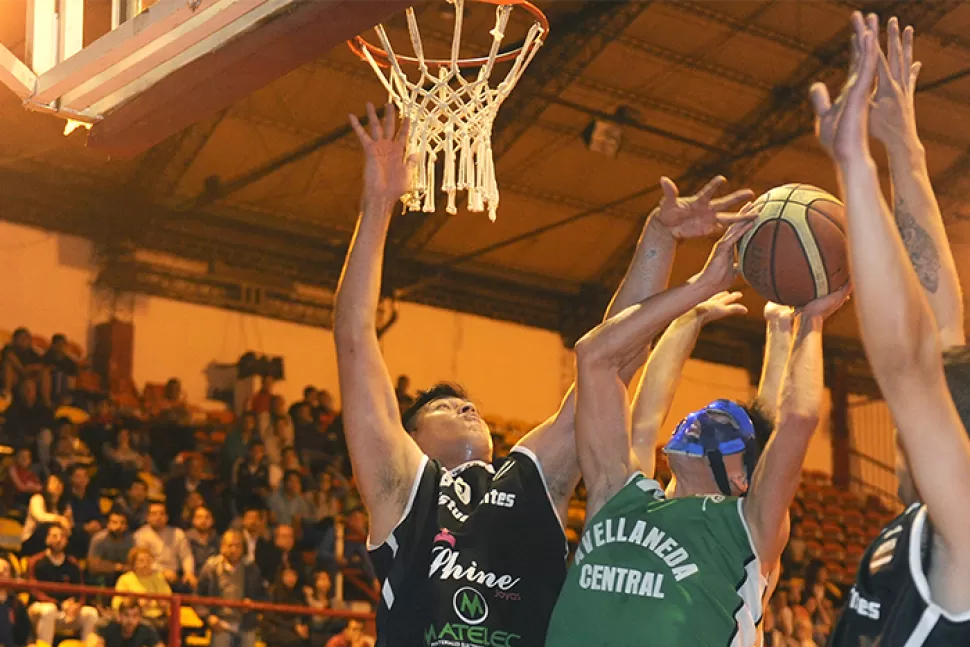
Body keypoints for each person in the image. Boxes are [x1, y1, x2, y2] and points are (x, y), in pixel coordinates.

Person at [338, 102, 755, 646]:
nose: (465, 408)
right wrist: (377, 203)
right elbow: (353, 339)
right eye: (443, 407)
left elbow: (613, 364)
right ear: (410, 439)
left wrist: (659, 239)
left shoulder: (530, 479)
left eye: (467, 404)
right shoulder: (402, 489)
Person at [544, 208, 849, 646]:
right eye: (705, 414)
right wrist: (694, 297)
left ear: (744, 477)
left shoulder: (746, 527)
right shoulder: (621, 493)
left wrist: (807, 324)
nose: (703, 420)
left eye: (723, 423)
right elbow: (594, 355)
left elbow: (793, 420)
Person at [811, 12, 970, 646]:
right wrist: (906, 148)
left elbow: (910, 361)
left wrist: (856, 167)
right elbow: (941, 316)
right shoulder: (925, 523)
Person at [27, 524, 100, 647]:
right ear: (47, 539)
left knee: (90, 613)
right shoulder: (35, 561)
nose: (59, 540)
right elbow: (34, 590)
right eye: (55, 536)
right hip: (39, 609)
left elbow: (81, 590)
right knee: (49, 610)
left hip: (67, 611)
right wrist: (59, 604)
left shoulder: (73, 563)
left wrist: (77, 606)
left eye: (63, 537)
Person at [195, 530, 266, 647]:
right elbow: (197, 598)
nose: (233, 549)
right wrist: (208, 617)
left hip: (246, 623)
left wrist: (252, 604)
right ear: (222, 547)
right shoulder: (211, 567)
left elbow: (263, 597)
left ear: (243, 548)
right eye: (229, 545)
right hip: (220, 623)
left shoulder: (251, 568)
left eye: (237, 546)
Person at [133, 501, 197, 590]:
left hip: (175, 576)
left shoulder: (178, 534)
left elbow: (186, 556)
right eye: (154, 514)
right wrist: (162, 572)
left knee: (190, 584)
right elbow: (142, 561)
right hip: (150, 575)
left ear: (167, 517)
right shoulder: (140, 535)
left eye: (162, 514)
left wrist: (189, 572)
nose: (158, 517)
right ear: (147, 517)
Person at [113, 546, 172, 635]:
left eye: (149, 561)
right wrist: (137, 604)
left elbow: (169, 600)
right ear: (134, 563)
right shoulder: (125, 579)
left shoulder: (158, 578)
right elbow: (117, 604)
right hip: (136, 620)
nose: (146, 564)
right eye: (141, 561)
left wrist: (163, 603)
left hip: (159, 619)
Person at [21, 472, 72, 556]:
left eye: (59, 483)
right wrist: (59, 519)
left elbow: (69, 527)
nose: (57, 485)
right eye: (53, 482)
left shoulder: (65, 505)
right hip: (32, 542)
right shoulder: (37, 498)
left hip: (57, 541)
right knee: (47, 527)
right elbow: (40, 516)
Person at [260, 567, 310, 647]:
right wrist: (294, 626)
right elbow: (271, 617)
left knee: (310, 639)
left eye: (294, 575)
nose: (291, 578)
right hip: (273, 628)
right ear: (281, 576)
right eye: (288, 575)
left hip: (291, 629)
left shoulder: (297, 594)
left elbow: (303, 615)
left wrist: (303, 626)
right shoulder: (273, 591)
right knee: (295, 641)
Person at [88, 510, 135, 587]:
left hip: (124, 576)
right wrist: (117, 567)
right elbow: (93, 566)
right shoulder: (99, 539)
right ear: (108, 524)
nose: (118, 526)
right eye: (114, 522)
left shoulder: (131, 540)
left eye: (122, 523)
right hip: (101, 577)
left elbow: (133, 565)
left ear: (126, 526)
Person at [65, 464, 103, 559]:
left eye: (84, 476)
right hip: (74, 534)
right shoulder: (66, 499)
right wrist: (84, 527)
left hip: (92, 532)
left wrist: (97, 523)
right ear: (71, 479)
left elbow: (98, 516)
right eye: (78, 476)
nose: (82, 479)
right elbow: (68, 523)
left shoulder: (92, 497)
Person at [97, 598, 165, 647]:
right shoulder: (108, 626)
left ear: (140, 617)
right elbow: (94, 642)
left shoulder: (146, 629)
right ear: (119, 616)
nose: (130, 620)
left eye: (135, 616)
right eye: (126, 615)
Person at [255, 524, 300, 588]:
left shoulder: (296, 554)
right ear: (276, 539)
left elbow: (302, 578)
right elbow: (264, 576)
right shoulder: (266, 552)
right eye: (284, 537)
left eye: (291, 536)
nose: (289, 540)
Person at [0, 559, 31, 647]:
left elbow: (26, 633)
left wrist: (30, 644)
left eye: (5, 569)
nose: (1, 571)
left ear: (10, 576)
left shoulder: (16, 603)